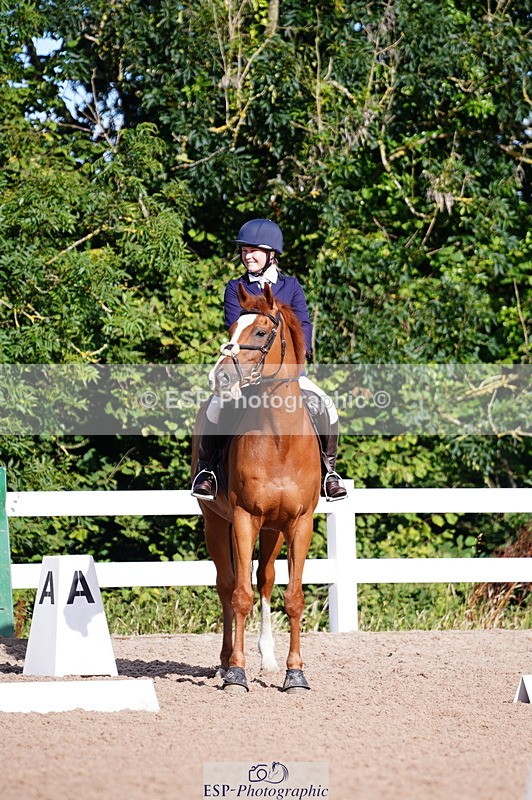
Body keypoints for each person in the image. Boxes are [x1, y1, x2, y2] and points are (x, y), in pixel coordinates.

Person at [191, 218, 347, 501]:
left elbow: (303, 323)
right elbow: (236, 326)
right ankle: (208, 470)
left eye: (254, 251)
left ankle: (329, 472)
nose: (247, 256)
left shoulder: (291, 286)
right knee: (215, 407)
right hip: (247, 371)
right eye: (244, 251)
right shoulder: (236, 287)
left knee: (325, 406)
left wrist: (300, 353)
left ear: (271, 254)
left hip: (287, 373)